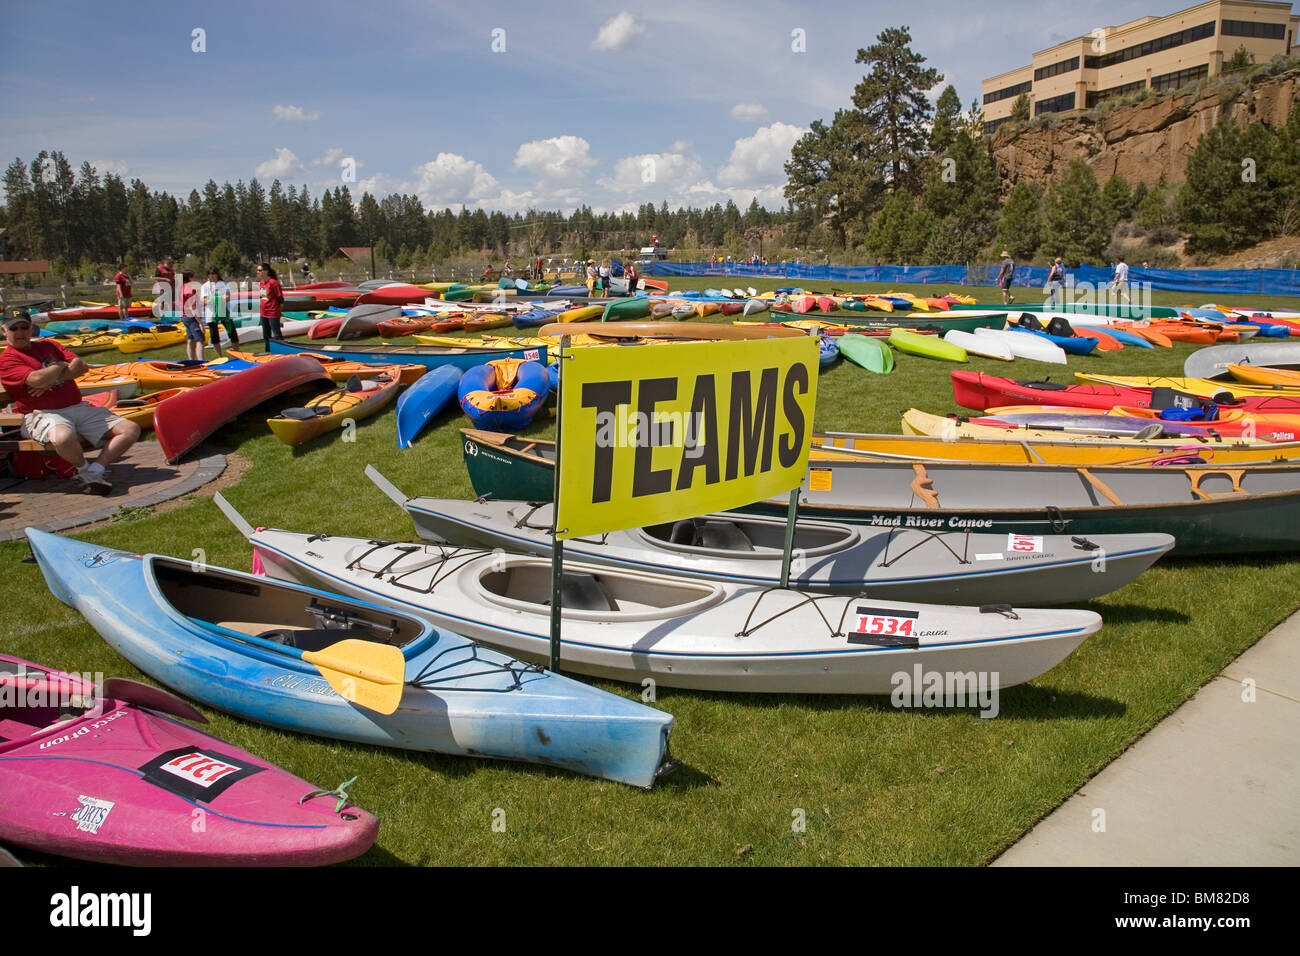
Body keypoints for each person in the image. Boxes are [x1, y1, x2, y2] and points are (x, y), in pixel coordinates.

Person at [0, 310, 140, 493]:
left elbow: (81, 366)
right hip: (41, 414)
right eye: (14, 328)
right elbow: (35, 380)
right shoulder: (7, 359)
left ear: (32, 328)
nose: (20, 333)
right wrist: (60, 365)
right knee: (63, 437)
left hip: (77, 407)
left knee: (130, 429)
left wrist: (52, 377)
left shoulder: (49, 345)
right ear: (4, 331)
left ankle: (96, 469)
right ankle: (84, 470)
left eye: (24, 327)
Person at [201, 266, 238, 358]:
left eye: (213, 273)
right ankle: (219, 356)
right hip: (211, 313)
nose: (211, 276)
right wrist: (218, 298)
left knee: (232, 333)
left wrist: (215, 299)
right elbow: (205, 300)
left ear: (217, 274)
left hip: (224, 312)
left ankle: (237, 353)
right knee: (214, 335)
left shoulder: (224, 284)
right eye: (209, 274)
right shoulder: (205, 286)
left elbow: (228, 297)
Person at [256, 262, 284, 351]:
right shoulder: (261, 283)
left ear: (266, 271)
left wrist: (279, 310)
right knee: (266, 335)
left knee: (277, 334)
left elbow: (280, 299)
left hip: (272, 312)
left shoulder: (273, 283)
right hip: (263, 312)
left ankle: (282, 351)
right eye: (257, 270)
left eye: (260, 270)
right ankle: (268, 352)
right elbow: (264, 297)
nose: (258, 272)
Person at [178, 272, 205, 362]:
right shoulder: (190, 289)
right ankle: (201, 362)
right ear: (190, 278)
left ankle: (191, 360)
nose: (195, 279)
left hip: (184, 316)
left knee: (190, 339)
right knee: (200, 340)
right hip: (191, 317)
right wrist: (200, 323)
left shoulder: (181, 288)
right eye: (194, 277)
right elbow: (192, 307)